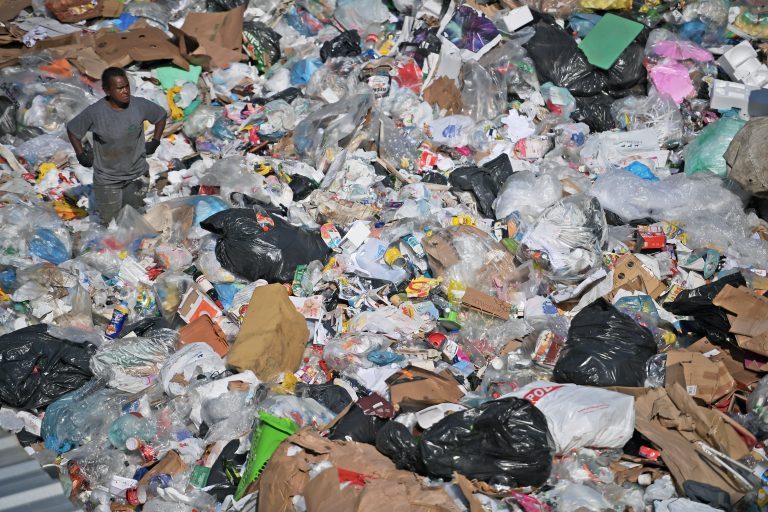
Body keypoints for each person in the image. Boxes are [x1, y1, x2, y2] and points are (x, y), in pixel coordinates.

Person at [67, 67, 167, 224]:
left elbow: (160, 115)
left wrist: (155, 141)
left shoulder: (139, 106)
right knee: (112, 224)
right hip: (108, 180)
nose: (125, 91)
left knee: (133, 219)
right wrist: (81, 155)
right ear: (107, 91)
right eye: (120, 88)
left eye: (126, 86)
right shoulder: (96, 112)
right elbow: (73, 130)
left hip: (137, 175)